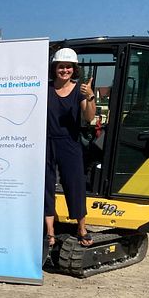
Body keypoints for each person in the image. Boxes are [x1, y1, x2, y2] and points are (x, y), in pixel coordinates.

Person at [45, 48, 96, 248]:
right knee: (46, 186)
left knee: (74, 185)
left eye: (68, 67)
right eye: (61, 66)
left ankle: (81, 228)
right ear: (54, 68)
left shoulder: (80, 90)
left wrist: (91, 97)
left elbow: (90, 117)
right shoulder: (45, 88)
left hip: (69, 143)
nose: (64, 70)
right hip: (47, 142)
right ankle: (50, 232)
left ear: (74, 69)